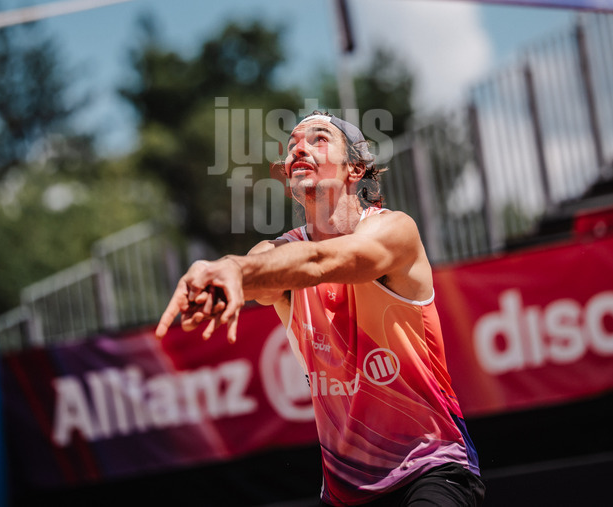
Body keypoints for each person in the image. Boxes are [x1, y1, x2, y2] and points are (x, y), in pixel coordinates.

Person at [155, 111, 485, 507]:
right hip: (347, 491)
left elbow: (324, 261)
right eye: (293, 142)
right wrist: (225, 275)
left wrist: (237, 269)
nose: (299, 147)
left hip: (432, 466)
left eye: (318, 138)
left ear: (356, 168)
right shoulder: (278, 253)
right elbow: (260, 270)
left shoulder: (395, 230)